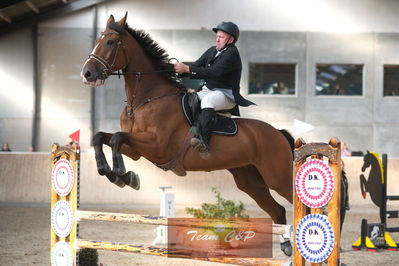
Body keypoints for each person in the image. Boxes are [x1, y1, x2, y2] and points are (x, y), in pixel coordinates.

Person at [174, 21, 255, 158]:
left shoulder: (232, 54)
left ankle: (204, 142)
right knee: (189, 100)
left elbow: (214, 72)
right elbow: (196, 66)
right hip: (209, 90)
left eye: (221, 37)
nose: (217, 39)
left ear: (230, 40)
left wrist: (187, 68)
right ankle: (192, 130)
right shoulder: (212, 50)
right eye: (217, 36)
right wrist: (176, 70)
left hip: (226, 94)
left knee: (207, 101)